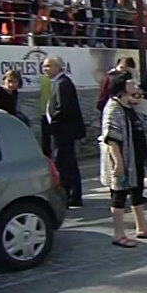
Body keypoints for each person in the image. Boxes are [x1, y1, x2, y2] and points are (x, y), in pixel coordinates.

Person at [101, 72, 147, 248]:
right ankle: (118, 234)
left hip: (135, 157)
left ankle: (141, 227)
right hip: (123, 158)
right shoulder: (113, 108)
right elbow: (112, 138)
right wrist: (118, 163)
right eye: (130, 83)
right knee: (119, 195)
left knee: (137, 192)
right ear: (120, 87)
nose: (135, 85)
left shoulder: (130, 105)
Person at [43, 55, 86, 207]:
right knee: (66, 163)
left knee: (65, 164)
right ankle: (70, 194)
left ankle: (72, 196)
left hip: (64, 131)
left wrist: (52, 124)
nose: (45, 69)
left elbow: (62, 109)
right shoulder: (58, 83)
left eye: (48, 66)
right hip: (62, 131)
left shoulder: (63, 84)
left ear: (57, 67)